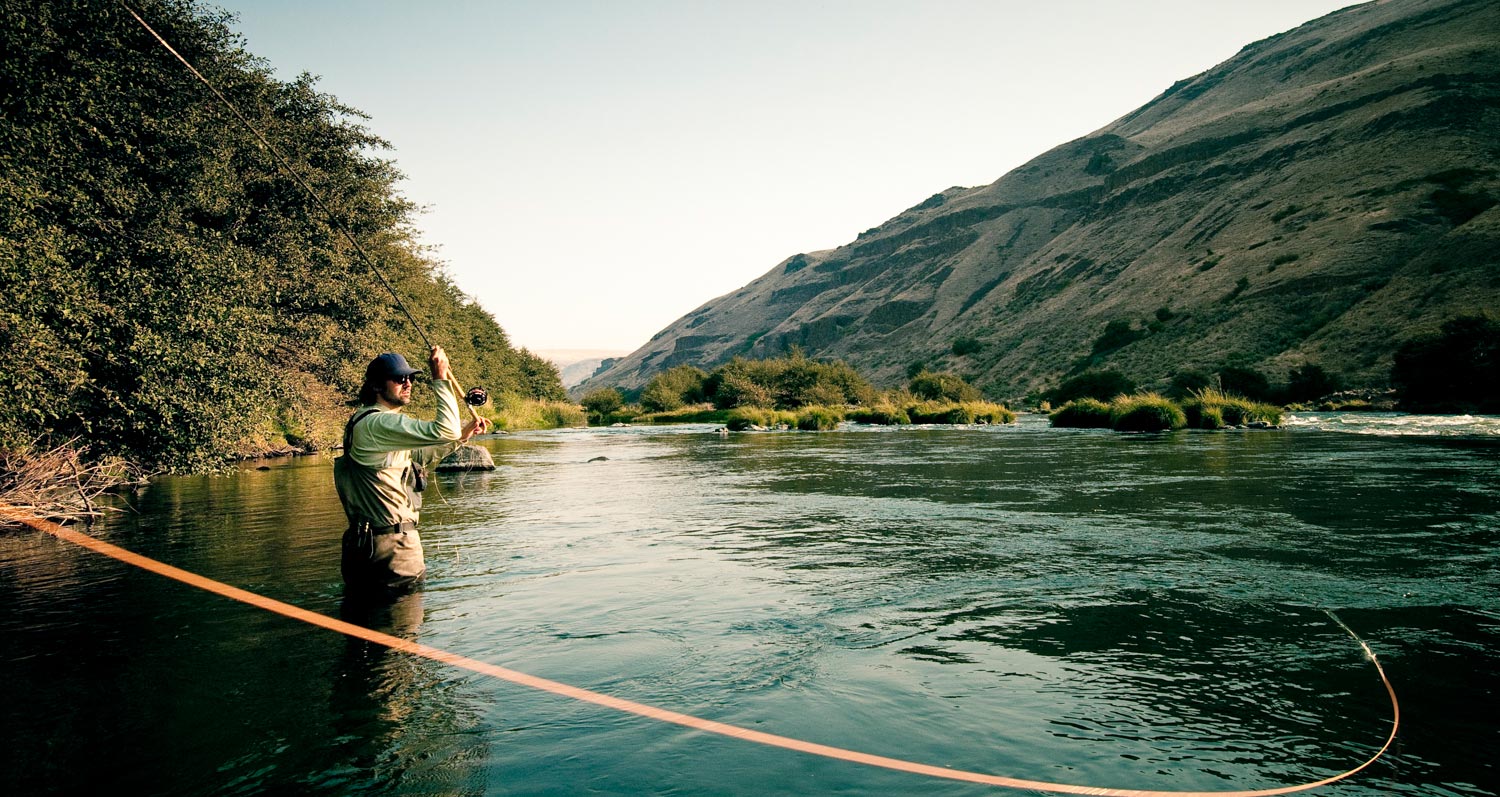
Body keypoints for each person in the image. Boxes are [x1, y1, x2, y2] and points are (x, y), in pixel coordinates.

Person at [334, 346, 490, 593]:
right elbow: (444, 429)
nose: (407, 383)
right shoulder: (379, 422)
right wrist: (440, 377)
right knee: (401, 628)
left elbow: (417, 456)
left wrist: (461, 437)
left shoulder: (365, 421)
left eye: (411, 378)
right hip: (393, 548)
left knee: (363, 624)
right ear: (375, 386)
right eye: (399, 378)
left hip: (364, 547)